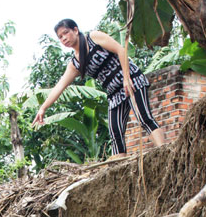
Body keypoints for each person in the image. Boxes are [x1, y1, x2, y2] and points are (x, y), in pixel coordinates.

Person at [33, 18, 165, 159]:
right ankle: (119, 169)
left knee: (144, 118)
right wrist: (43, 108)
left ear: (75, 30)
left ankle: (164, 153)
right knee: (116, 133)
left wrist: (126, 79)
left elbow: (121, 50)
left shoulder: (94, 37)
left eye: (66, 33)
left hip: (132, 80)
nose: (64, 38)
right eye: (60, 37)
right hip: (114, 94)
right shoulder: (75, 63)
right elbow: (59, 86)